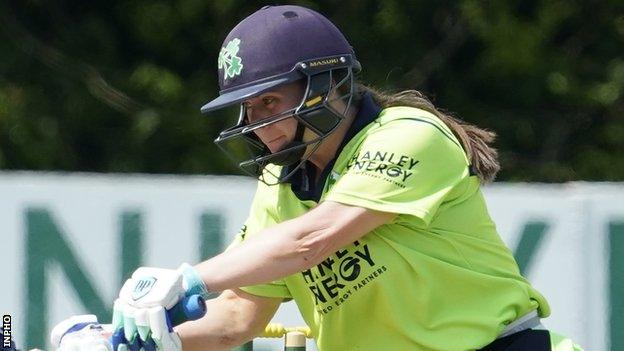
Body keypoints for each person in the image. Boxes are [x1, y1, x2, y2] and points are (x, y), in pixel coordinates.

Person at [52, 5, 583, 351]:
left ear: (327, 84)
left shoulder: (408, 135)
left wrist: (188, 280)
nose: (257, 124)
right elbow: (237, 319)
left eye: (270, 101)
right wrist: (122, 341)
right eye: (247, 108)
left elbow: (310, 240)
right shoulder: (280, 186)